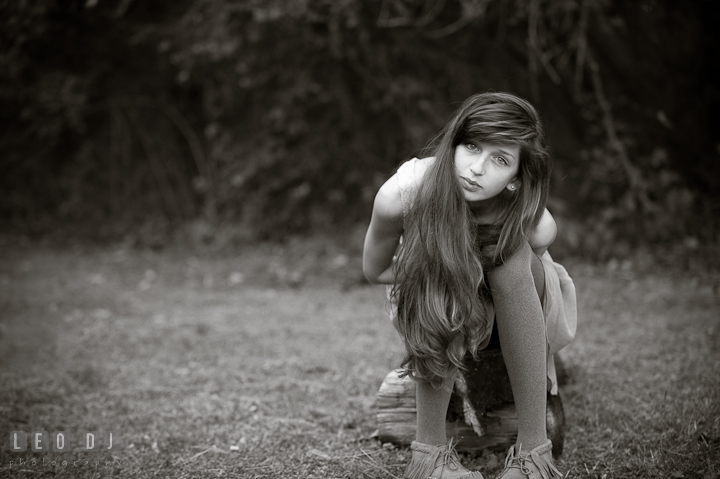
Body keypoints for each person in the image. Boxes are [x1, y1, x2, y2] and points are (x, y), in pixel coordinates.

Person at [363, 92, 577, 479]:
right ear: (453, 143)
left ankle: (534, 455)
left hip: (518, 312)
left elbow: (534, 279)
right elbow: (375, 271)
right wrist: (439, 268)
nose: (477, 168)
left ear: (516, 178)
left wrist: (481, 274)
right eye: (472, 146)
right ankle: (428, 456)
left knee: (509, 255)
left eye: (500, 160)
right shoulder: (403, 193)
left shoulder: (532, 218)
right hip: (438, 307)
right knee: (443, 249)